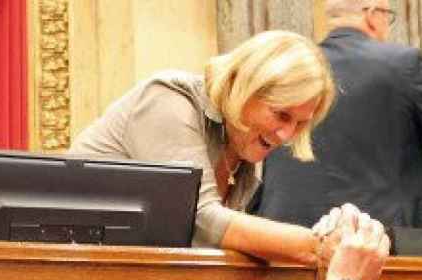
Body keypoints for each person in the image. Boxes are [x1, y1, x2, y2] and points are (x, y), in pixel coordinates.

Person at [70, 30, 337, 265]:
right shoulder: (168, 99)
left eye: (301, 123)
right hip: (70, 279)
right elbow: (200, 221)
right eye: (282, 115)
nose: (286, 135)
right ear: (245, 87)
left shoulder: (245, 138)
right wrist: (321, 246)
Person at [255, 0, 422, 230]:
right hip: (379, 241)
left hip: (286, 239)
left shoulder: (291, 68)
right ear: (373, 14)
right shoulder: (402, 64)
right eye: (388, 16)